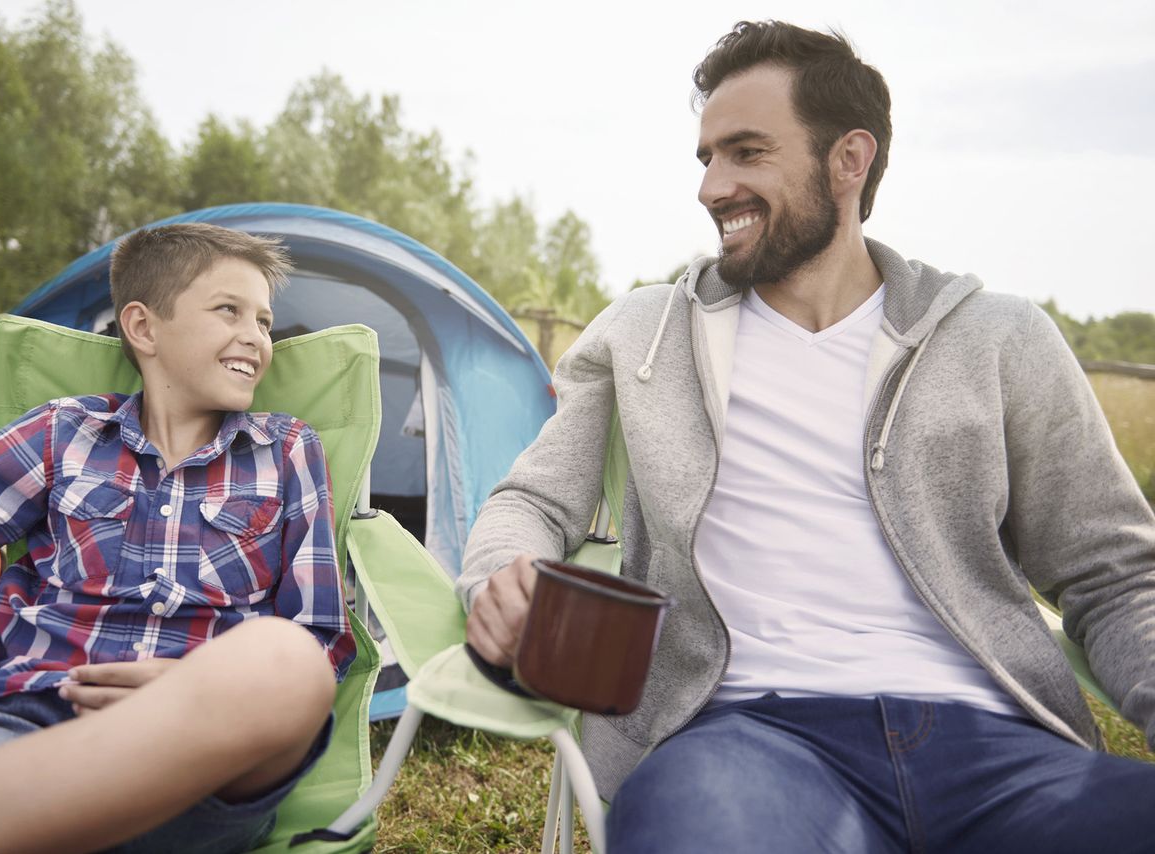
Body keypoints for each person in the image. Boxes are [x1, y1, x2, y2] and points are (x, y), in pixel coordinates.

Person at [459, 20, 1155, 853]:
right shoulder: (644, 333)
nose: (713, 186)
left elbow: (1113, 574)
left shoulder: (999, 339)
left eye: (747, 152)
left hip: (999, 746)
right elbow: (532, 499)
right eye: (707, 157)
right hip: (747, 743)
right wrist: (502, 576)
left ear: (850, 160)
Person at [0, 222, 355, 853]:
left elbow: (319, 632)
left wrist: (197, 695)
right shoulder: (63, 433)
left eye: (265, 321)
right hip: (34, 717)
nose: (257, 338)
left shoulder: (287, 449)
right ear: (144, 327)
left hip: (201, 756)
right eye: (229, 310)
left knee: (287, 660)